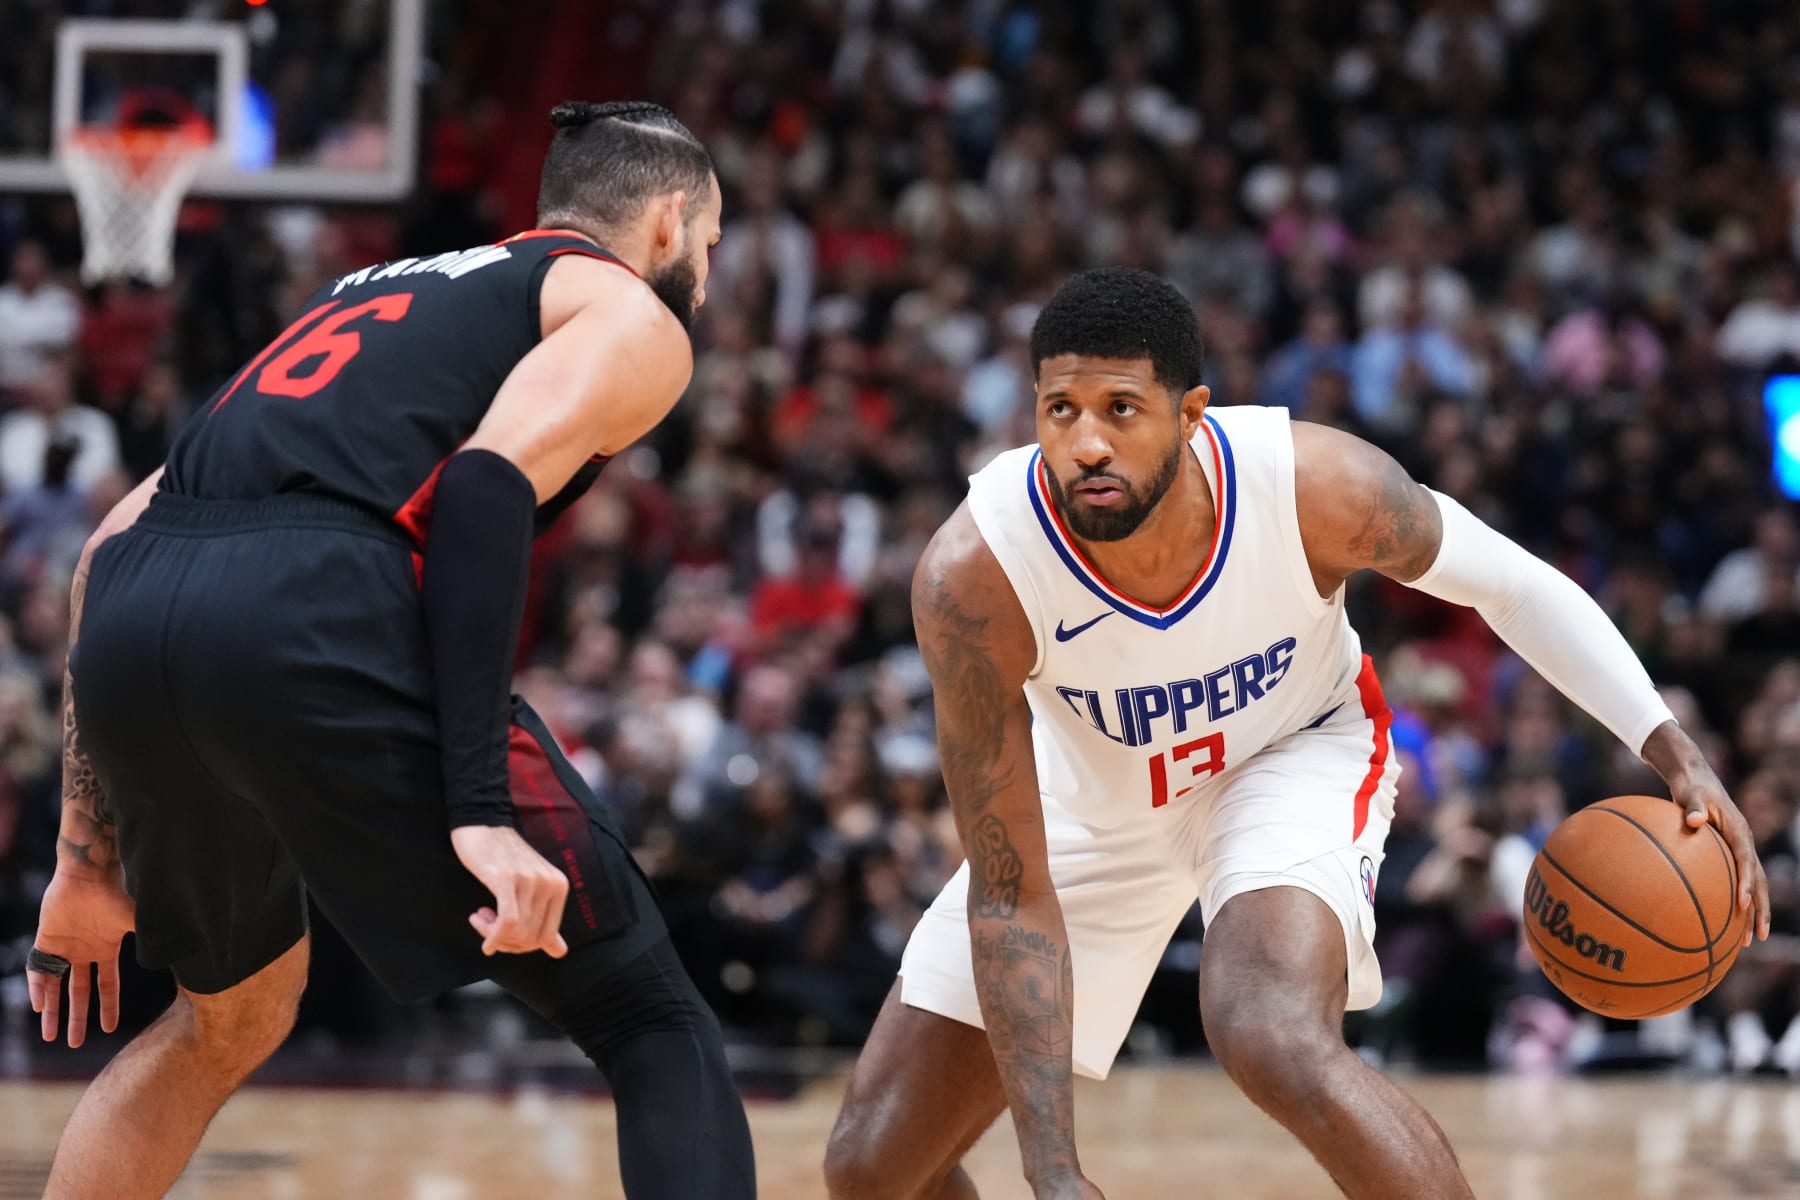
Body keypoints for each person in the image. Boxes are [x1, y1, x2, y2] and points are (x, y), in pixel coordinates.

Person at [823, 268, 1771, 1200]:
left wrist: (1674, 751)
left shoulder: (1316, 486)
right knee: (870, 1170)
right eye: (1059, 410)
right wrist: (1054, 1169)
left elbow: (1513, 584)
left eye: (1121, 408)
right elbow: (1010, 895)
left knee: (1267, 1027)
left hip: (1290, 754)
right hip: (1097, 800)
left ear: (1192, 414)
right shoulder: (973, 578)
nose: (1086, 444)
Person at [25, 101, 756, 1200]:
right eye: (706, 244)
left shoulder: (380, 291)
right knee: (648, 1016)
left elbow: (105, 550)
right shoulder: (627, 312)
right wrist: (476, 807)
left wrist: (85, 859)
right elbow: (481, 484)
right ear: (664, 224)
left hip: (141, 608)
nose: (704, 271)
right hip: (307, 611)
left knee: (228, 1018)